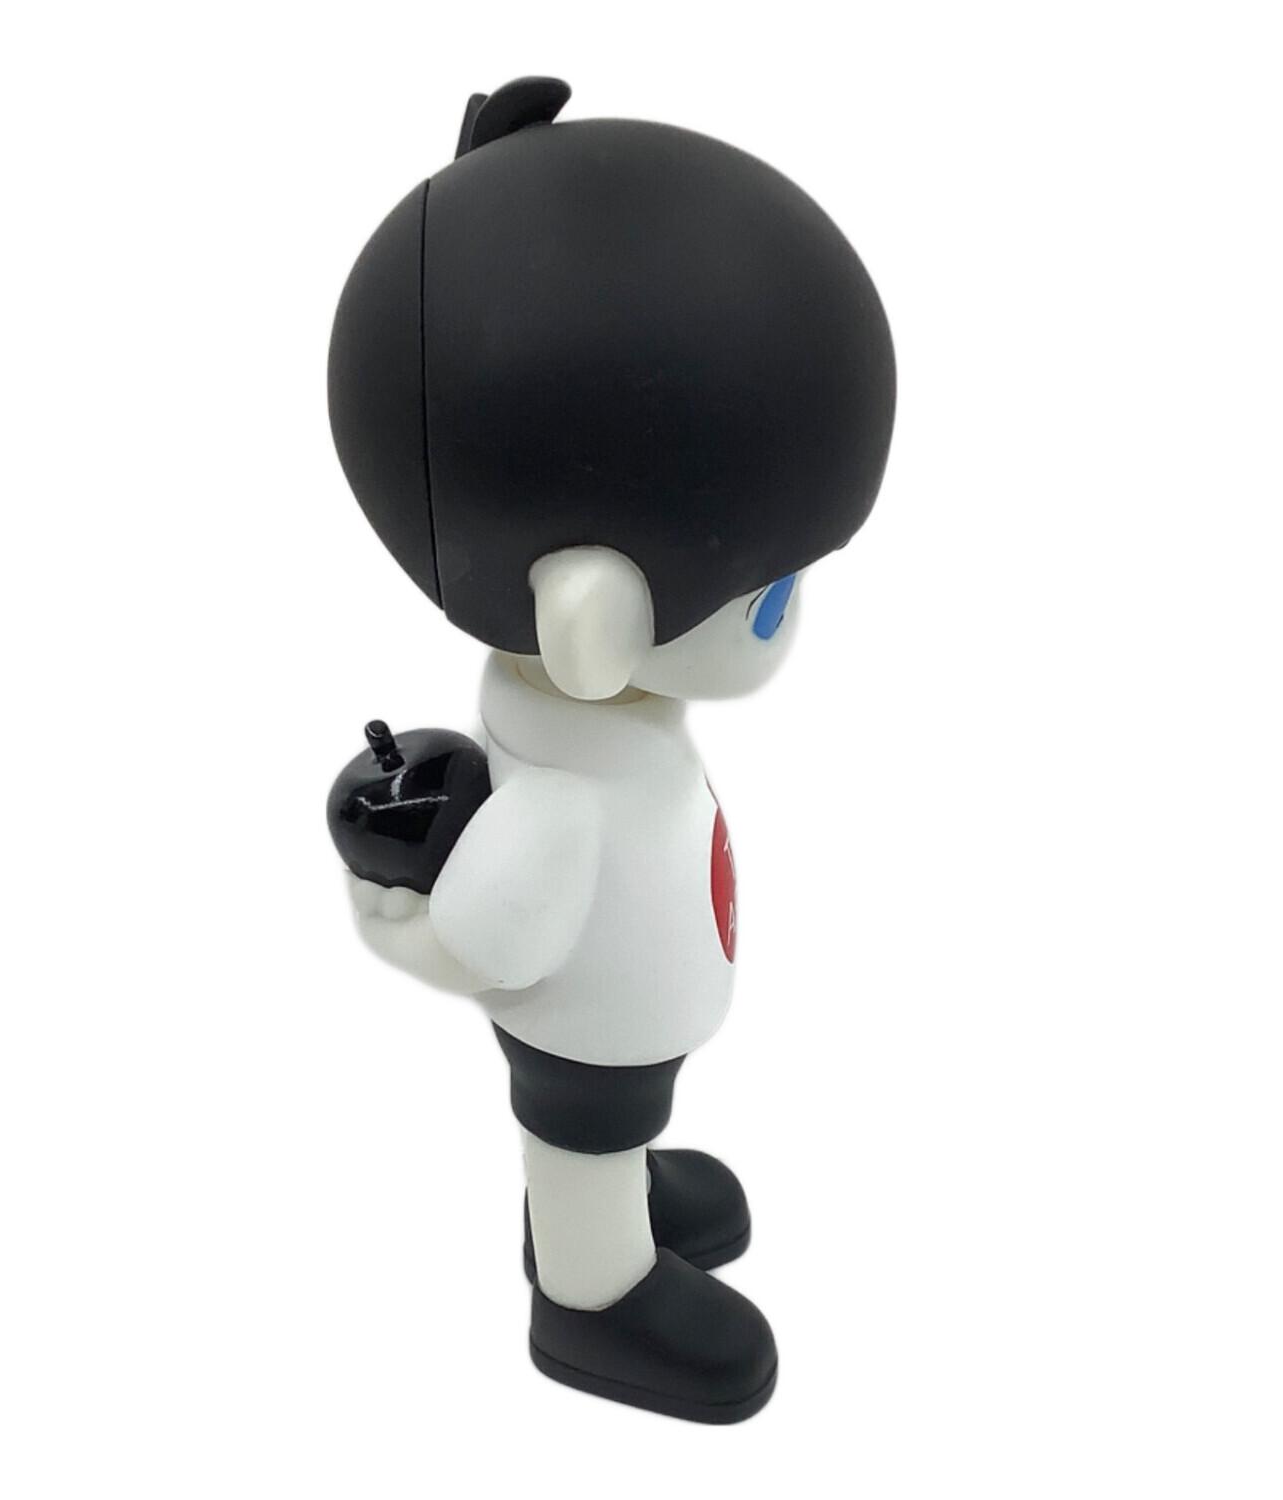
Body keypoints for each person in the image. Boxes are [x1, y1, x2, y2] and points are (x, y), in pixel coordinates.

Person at [327, 76, 896, 1422]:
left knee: (619, 1123)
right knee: (584, 1127)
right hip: (589, 1037)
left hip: (629, 1012)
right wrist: (405, 917)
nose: (792, 610)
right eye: (770, 592)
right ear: (594, 618)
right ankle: (591, 1292)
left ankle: (618, 1198)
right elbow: (485, 942)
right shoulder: (558, 811)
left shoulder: (604, 744)